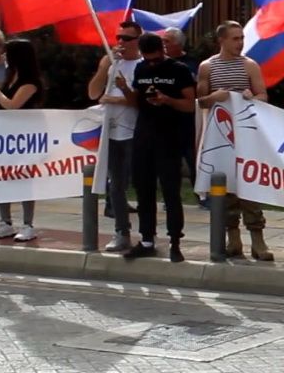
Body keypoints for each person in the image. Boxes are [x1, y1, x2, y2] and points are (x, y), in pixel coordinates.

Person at [196, 20, 272, 261]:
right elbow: (200, 100)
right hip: (219, 136)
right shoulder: (207, 67)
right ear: (222, 40)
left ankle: (258, 240)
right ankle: (233, 238)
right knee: (225, 185)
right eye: (235, 38)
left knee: (249, 186)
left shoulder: (250, 66)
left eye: (241, 38)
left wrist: (252, 97)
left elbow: (263, 96)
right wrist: (214, 97)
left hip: (246, 136)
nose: (240, 43)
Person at [116, 32, 196, 262]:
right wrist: (124, 89)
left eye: (156, 59)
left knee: (171, 192)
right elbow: (136, 103)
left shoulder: (178, 70)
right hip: (144, 137)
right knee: (144, 191)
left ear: (163, 50)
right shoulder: (141, 70)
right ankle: (147, 239)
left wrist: (167, 100)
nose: (152, 63)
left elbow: (190, 105)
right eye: (148, 59)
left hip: (170, 138)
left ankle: (175, 242)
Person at [87, 21, 143, 252]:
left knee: (139, 184)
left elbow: (142, 101)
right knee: (115, 185)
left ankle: (147, 233)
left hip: (134, 132)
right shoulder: (111, 63)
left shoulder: (142, 65)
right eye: (119, 37)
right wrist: (104, 67)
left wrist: (117, 99)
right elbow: (93, 93)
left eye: (127, 38)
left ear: (138, 41)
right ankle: (122, 231)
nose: (121, 42)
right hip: (112, 133)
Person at [0, 39, 45, 243]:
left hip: (23, 138)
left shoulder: (30, 82)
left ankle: (28, 224)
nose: (4, 56)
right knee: (1, 178)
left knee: (23, 179)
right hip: (3, 136)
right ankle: (5, 222)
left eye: (8, 53)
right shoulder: (11, 77)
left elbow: (13, 105)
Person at [161, 27, 199, 190]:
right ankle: (170, 194)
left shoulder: (192, 64)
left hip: (188, 119)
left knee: (193, 157)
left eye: (167, 41)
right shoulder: (159, 63)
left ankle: (201, 194)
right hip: (165, 119)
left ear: (178, 44)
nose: (163, 44)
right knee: (169, 160)